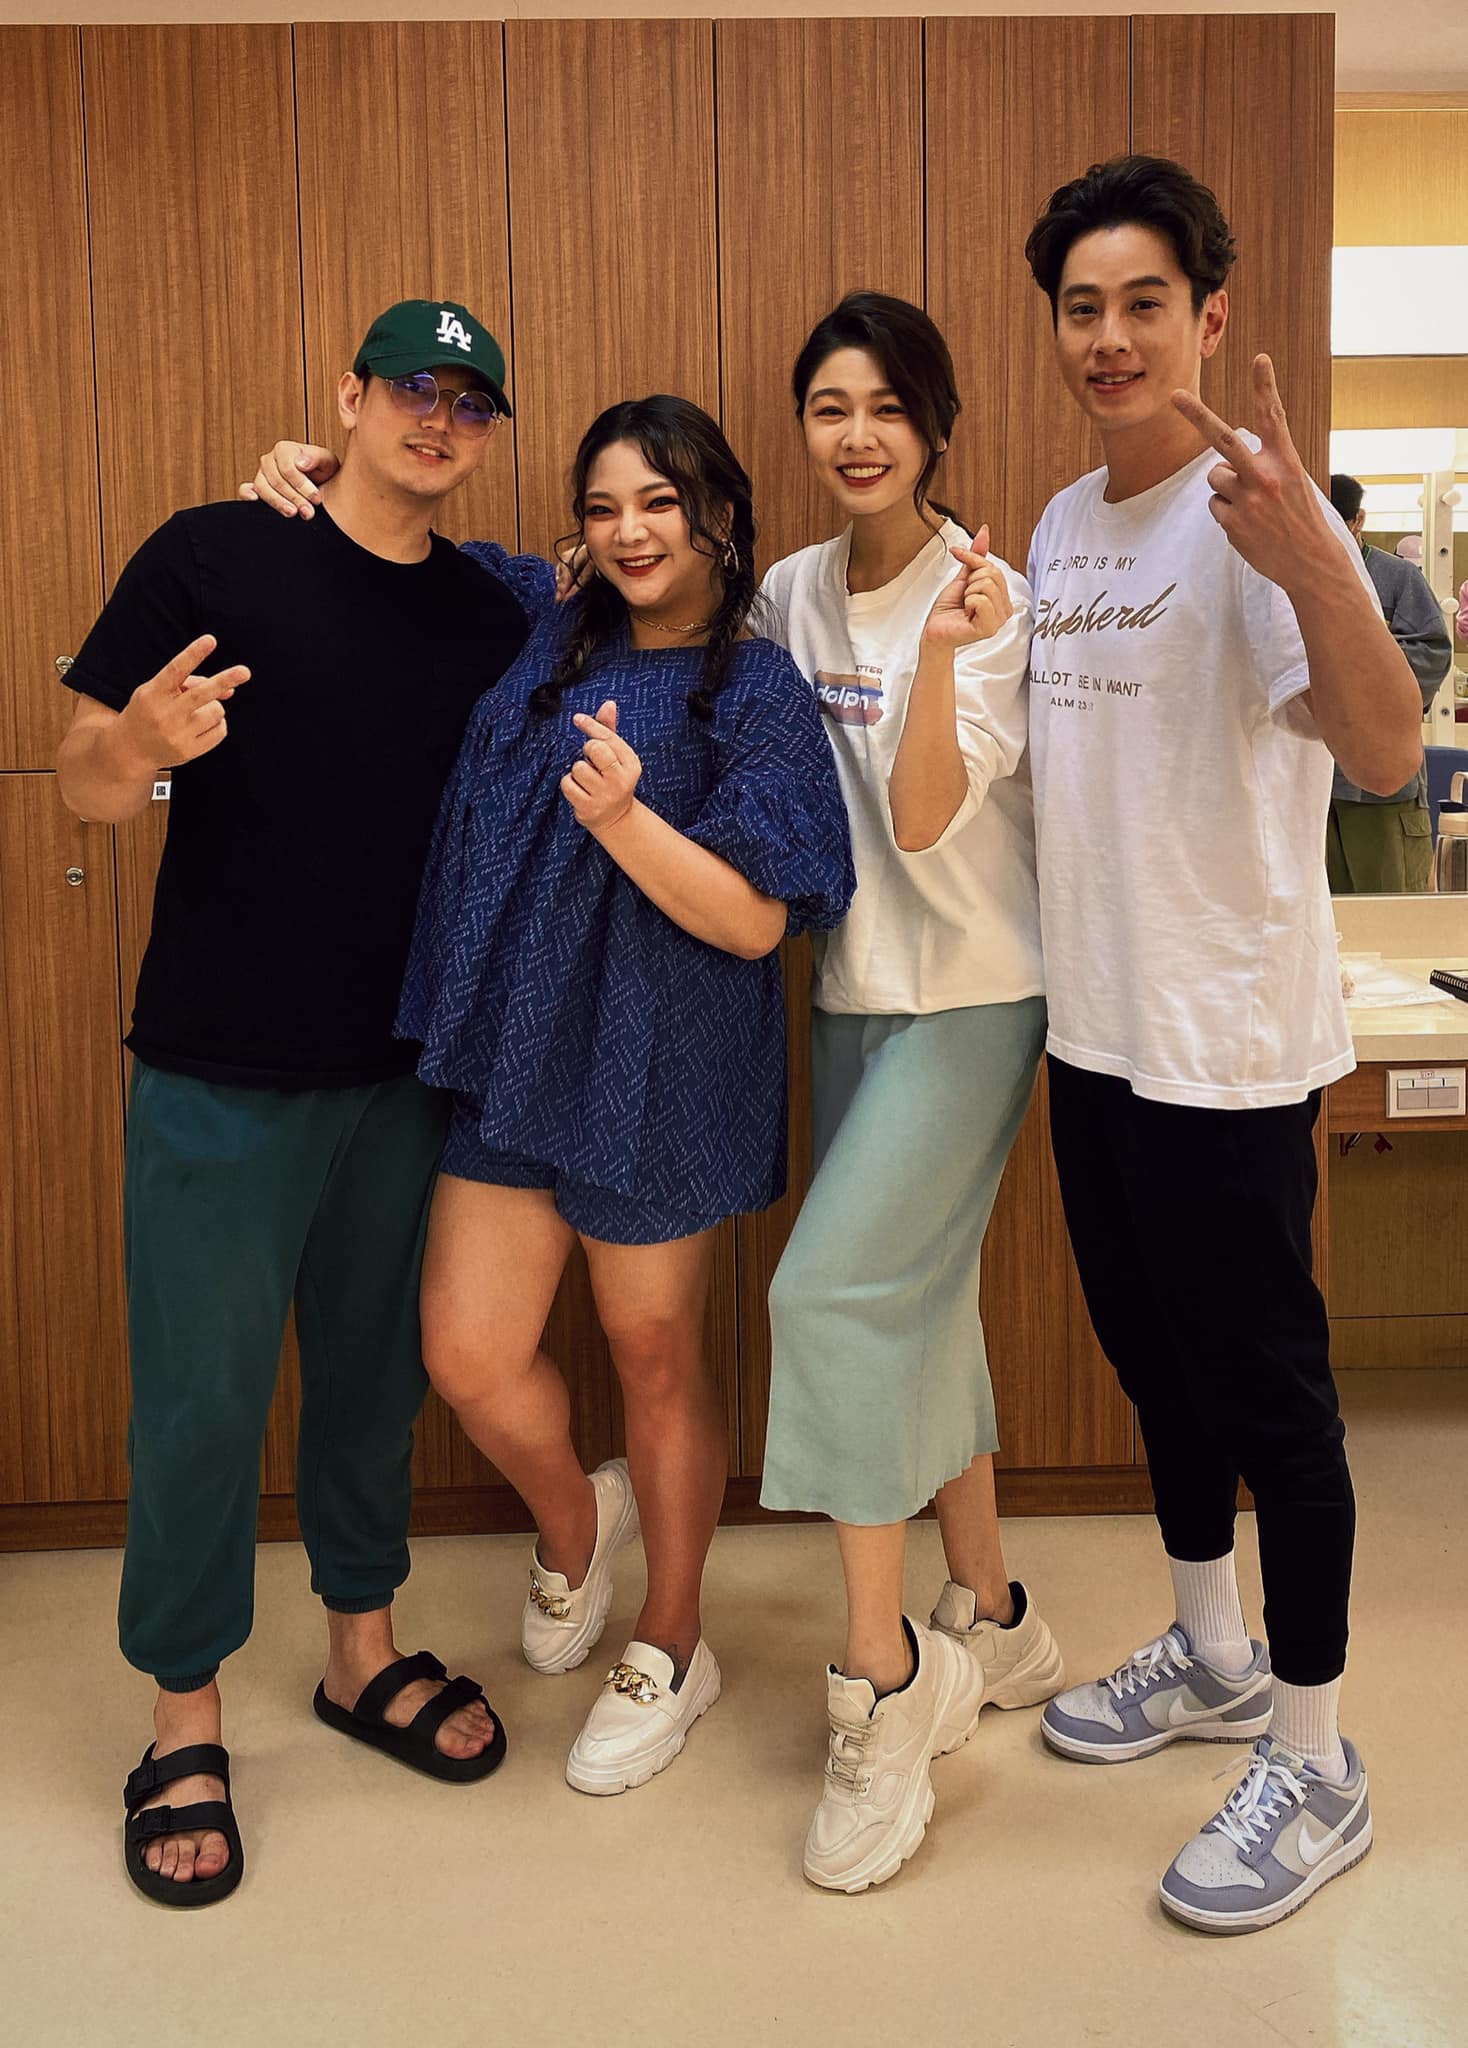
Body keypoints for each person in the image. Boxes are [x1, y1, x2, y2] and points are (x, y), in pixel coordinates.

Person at [250, 395, 855, 1796]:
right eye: (603, 505)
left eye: (661, 502)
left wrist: (626, 817)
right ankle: (582, 1524)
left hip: (665, 1062)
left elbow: (758, 921)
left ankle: (674, 1640)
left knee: (653, 1354)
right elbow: (393, 550)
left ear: (718, 515)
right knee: (466, 1351)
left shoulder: (755, 687)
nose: (631, 531)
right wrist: (305, 475)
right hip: (516, 1047)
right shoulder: (542, 618)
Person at [56, 299, 527, 1908]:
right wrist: (142, 742)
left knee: (371, 1383)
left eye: (471, 402)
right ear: (349, 396)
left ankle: (359, 1652)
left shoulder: (487, 612)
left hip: (401, 1069)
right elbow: (84, 781)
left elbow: (618, 602)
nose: (438, 418)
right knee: (200, 1399)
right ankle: (182, 1714)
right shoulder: (212, 552)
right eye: (413, 388)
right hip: (220, 1067)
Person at [1019, 155, 1422, 1933]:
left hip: (1229, 1042)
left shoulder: (1258, 512)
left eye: (1143, 303)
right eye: (1082, 306)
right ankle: (1211, 1653)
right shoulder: (1059, 523)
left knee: (1272, 1397)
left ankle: (1317, 1760)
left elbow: (1386, 754)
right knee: (1152, 1362)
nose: (1110, 336)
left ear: (1209, 315)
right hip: (1095, 1025)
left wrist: (1314, 563)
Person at [756, 293, 1063, 1895]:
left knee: (829, 1298)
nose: (859, 435)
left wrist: (940, 654)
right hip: (850, 995)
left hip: (972, 1000)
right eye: (831, 407)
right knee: (915, 1300)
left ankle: (883, 1679)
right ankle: (995, 1617)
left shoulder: (990, 598)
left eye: (887, 407)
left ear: (936, 426)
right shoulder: (791, 592)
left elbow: (930, 815)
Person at [1324, 474, 1452, 891]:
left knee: (1392, 907)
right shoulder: (1295, 572)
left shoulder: (1397, 578)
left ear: (1358, 520)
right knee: (1325, 913)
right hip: (1312, 781)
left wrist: (1357, 664)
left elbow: (1432, 655)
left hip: (1381, 789)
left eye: (1335, 523)